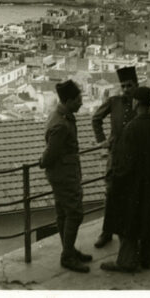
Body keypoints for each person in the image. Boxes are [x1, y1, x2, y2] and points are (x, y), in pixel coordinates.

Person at [101, 86, 150, 273]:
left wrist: (115, 179)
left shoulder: (131, 129)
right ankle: (148, 257)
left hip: (132, 184)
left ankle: (127, 260)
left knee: (128, 221)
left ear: (136, 103)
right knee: (148, 219)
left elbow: (124, 163)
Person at [40, 80, 92, 274]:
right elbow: (51, 153)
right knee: (75, 213)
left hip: (63, 172)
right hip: (64, 174)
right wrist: (42, 161)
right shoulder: (61, 123)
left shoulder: (60, 114)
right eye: (78, 100)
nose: (81, 103)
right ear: (69, 100)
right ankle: (68, 256)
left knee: (63, 213)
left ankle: (68, 250)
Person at [91, 65, 139, 248]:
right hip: (116, 156)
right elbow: (96, 119)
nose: (126, 89)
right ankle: (107, 232)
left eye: (129, 86)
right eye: (123, 86)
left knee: (131, 194)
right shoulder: (114, 102)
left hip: (134, 157)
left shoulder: (140, 104)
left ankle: (128, 232)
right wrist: (102, 140)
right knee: (111, 193)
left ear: (135, 85)